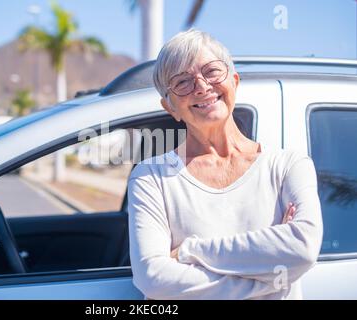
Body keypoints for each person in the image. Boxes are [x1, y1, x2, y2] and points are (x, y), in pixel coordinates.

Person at [127, 29, 323, 300]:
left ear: (234, 81)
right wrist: (270, 282)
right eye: (182, 81)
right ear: (170, 107)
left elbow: (302, 249)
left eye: (211, 71)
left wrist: (189, 252)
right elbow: (154, 279)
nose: (201, 86)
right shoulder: (151, 178)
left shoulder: (289, 166)